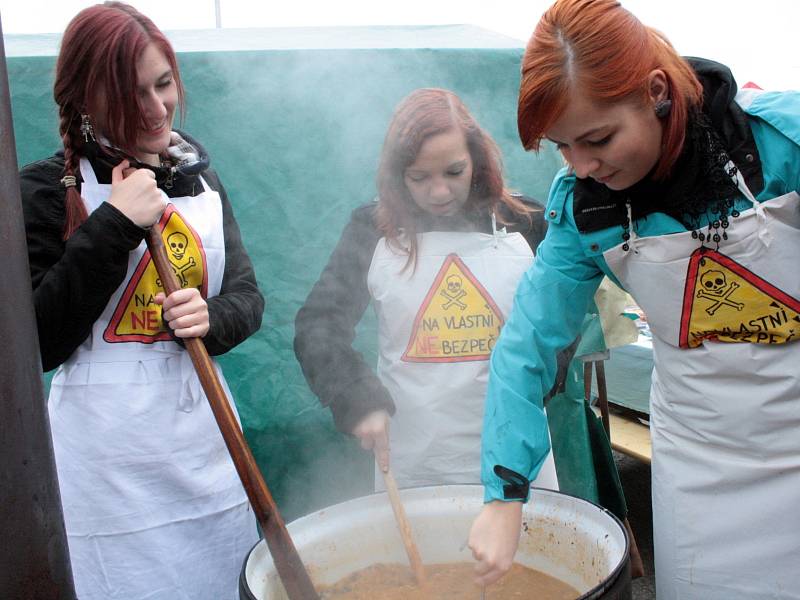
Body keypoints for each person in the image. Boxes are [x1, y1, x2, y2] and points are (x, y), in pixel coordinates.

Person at [468, 1, 800, 598]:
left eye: (597, 139)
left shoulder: (782, 141)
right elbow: (527, 342)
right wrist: (505, 490)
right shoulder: (583, 209)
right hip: (702, 459)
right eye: (562, 147)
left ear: (654, 91)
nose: (583, 166)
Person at [19, 3, 264, 599]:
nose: (157, 110)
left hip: (206, 453)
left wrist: (213, 318)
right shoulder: (42, 193)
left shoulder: (201, 181)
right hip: (108, 473)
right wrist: (115, 222)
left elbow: (248, 297)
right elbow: (37, 342)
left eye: (164, 85)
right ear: (85, 102)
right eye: (134, 97)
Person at [293, 88, 561, 490]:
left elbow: (561, 318)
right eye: (419, 177)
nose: (439, 192)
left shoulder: (525, 222)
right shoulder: (371, 229)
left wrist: (538, 381)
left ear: (477, 160)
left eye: (454, 172)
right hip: (415, 461)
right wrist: (355, 399)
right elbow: (319, 325)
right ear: (397, 173)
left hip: (520, 455)